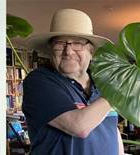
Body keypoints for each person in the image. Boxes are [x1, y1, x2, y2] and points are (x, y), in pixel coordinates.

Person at [23, 9, 124, 155]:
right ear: (51, 49)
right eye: (60, 43)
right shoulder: (38, 81)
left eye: (77, 43)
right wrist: (120, 89)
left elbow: (111, 129)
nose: (68, 51)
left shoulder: (103, 84)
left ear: (91, 51)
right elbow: (79, 126)